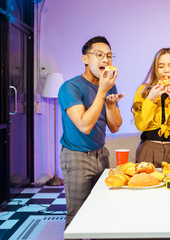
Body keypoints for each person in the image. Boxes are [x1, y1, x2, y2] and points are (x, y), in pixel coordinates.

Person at [58, 36, 123, 228]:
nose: (106, 60)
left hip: (101, 154)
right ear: (85, 59)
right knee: (77, 215)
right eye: (99, 55)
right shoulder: (70, 87)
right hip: (77, 155)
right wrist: (102, 92)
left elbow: (115, 126)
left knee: (101, 210)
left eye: (109, 56)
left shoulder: (109, 85)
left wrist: (110, 106)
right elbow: (84, 125)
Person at [132, 48, 170, 167]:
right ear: (155, 68)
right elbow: (140, 125)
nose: (166, 70)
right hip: (147, 150)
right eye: (161, 66)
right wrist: (150, 99)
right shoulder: (143, 91)